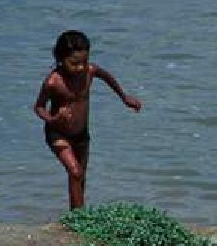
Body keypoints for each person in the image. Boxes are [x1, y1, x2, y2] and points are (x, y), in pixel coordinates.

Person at [33, 30, 142, 210]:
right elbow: (38, 107)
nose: (80, 67)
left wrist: (124, 97)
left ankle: (75, 213)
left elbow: (107, 77)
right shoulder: (53, 82)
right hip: (58, 133)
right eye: (74, 63)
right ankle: (80, 219)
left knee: (80, 176)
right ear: (60, 58)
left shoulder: (89, 71)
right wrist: (53, 119)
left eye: (84, 61)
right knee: (75, 172)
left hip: (82, 134)